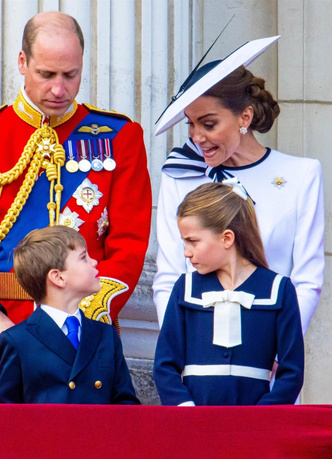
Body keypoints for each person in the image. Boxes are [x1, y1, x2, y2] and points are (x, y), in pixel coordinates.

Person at [153, 37, 324, 333]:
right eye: (190, 124)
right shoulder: (180, 174)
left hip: (267, 348)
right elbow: (169, 276)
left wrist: (279, 353)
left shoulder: (301, 175)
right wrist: (179, 350)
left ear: (245, 116)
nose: (196, 137)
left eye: (208, 124)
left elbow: (307, 281)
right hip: (198, 348)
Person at [0, 11, 152, 332]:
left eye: (70, 75)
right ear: (22, 62)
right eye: (47, 74)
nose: (59, 89)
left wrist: (79, 317)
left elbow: (128, 244)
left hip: (83, 326)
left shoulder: (118, 136)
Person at [153, 181, 304, 406]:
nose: (186, 252)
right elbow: (165, 365)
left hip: (255, 426)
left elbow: (292, 372)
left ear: (227, 238)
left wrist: (263, 417)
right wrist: (185, 409)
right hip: (194, 421)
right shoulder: (184, 288)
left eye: (193, 241)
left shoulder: (279, 290)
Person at [0, 226, 140, 404]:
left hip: (99, 432)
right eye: (84, 258)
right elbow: (7, 415)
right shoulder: (17, 341)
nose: (94, 262)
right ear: (58, 277)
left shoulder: (106, 335)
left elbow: (126, 404)